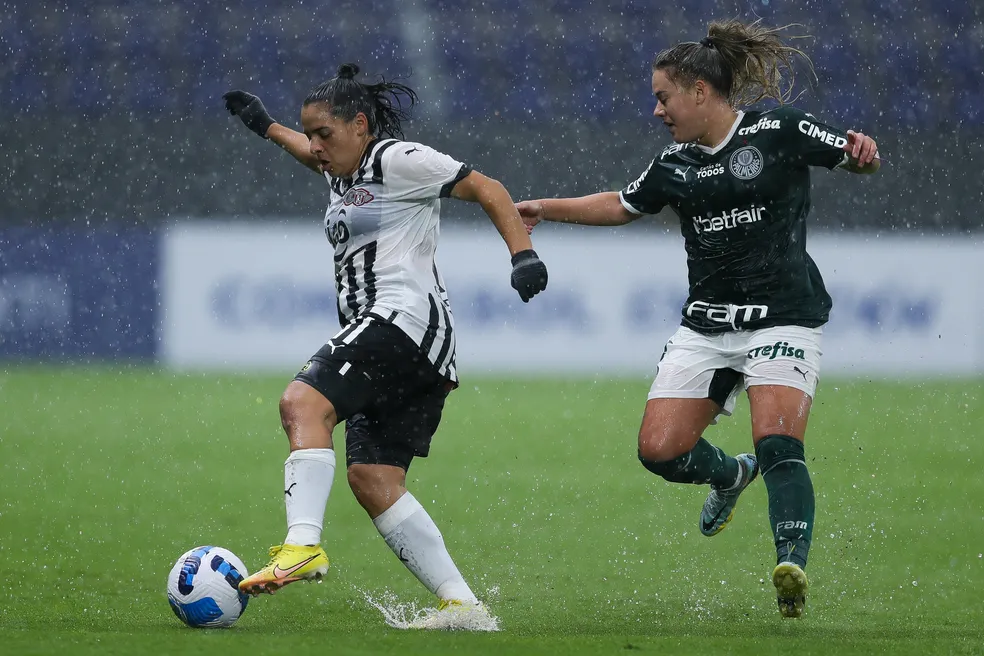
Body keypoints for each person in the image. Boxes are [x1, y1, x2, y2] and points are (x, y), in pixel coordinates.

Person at [517, 19, 879, 619]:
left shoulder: (778, 130)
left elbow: (853, 155)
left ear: (700, 92)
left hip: (783, 317)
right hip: (707, 327)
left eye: (663, 97)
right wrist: (546, 209)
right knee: (659, 452)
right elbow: (621, 204)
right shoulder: (675, 164)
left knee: (779, 441)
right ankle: (730, 476)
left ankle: (792, 564)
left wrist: (863, 155)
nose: (657, 110)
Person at [222, 63, 548, 630]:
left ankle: (303, 544)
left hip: (402, 321)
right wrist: (268, 127)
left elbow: (486, 187)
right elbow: (306, 151)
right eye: (313, 135)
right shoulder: (340, 171)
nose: (318, 147)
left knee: (302, 403)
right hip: (416, 348)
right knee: (373, 479)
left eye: (327, 134)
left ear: (361, 125)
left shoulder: (397, 160)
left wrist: (523, 254)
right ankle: (462, 605)